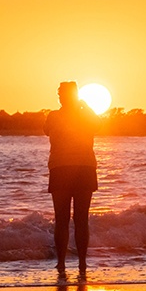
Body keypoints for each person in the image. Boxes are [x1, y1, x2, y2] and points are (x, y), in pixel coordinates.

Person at [44, 81, 100, 277]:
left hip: (70, 168)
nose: (60, 97)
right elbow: (97, 125)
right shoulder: (81, 115)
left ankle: (68, 263)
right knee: (75, 220)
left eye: (62, 94)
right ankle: (74, 263)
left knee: (68, 219)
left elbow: (47, 131)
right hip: (75, 168)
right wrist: (86, 107)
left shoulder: (55, 116)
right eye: (59, 94)